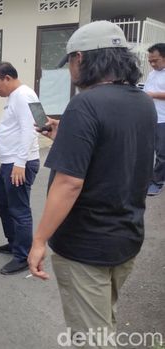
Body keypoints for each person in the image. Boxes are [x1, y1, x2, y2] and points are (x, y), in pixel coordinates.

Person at [27, 21, 156, 345]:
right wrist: (64, 134)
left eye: (70, 61)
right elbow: (116, 151)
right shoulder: (141, 102)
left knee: (92, 339)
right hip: (126, 238)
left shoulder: (85, 104)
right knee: (103, 322)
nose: (70, 69)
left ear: (81, 58)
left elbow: (69, 182)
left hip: (86, 245)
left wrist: (40, 239)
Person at [0, 61, 41, 275]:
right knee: (2, 202)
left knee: (19, 209)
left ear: (7, 78)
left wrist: (20, 163)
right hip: (9, 162)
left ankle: (22, 255)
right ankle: (14, 242)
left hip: (20, 163)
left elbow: (31, 129)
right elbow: (40, 120)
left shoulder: (23, 95)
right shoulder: (17, 96)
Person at [145, 43, 165, 196]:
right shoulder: (152, 74)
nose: (152, 64)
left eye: (155, 60)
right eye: (150, 60)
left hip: (163, 120)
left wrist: (152, 95)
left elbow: (151, 93)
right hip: (151, 117)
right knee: (148, 151)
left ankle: (157, 183)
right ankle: (150, 179)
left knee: (162, 153)